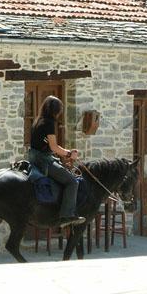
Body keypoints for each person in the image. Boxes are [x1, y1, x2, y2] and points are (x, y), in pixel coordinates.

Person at [27, 95, 86, 227]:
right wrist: (70, 153)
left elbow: (49, 147)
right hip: (43, 160)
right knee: (72, 182)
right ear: (55, 110)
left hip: (33, 158)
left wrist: (64, 153)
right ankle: (66, 216)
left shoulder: (38, 121)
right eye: (60, 110)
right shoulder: (49, 123)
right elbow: (54, 147)